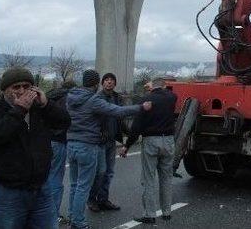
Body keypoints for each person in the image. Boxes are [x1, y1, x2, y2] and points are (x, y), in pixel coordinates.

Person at [66, 69, 151, 229]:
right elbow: (118, 111)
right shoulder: (93, 100)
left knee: (74, 185)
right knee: (83, 186)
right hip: (87, 145)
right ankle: (78, 222)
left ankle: (72, 216)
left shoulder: (71, 97)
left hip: (71, 143)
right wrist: (141, 107)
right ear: (97, 83)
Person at [0, 67, 71, 229]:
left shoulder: (38, 108)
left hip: (41, 187)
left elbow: (64, 122)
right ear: (5, 90)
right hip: (8, 191)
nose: (22, 91)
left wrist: (46, 104)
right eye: (16, 87)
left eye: (27, 86)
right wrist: (19, 110)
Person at [121, 78, 177, 224]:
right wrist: (156, 86)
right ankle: (166, 212)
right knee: (166, 177)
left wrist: (127, 145)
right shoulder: (172, 98)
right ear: (164, 86)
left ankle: (149, 214)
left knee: (149, 178)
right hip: (169, 140)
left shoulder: (146, 99)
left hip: (151, 140)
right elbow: (168, 92)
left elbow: (137, 125)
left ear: (152, 87)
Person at [88, 73, 126, 212]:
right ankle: (92, 199)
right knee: (100, 172)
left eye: (112, 80)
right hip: (99, 141)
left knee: (109, 172)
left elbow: (121, 118)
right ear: (102, 83)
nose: (109, 82)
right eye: (106, 80)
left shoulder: (117, 98)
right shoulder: (97, 98)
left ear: (115, 83)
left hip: (111, 140)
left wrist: (128, 137)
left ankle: (103, 199)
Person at [46, 79, 77, 224]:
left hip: (45, 140)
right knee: (56, 178)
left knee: (45, 176)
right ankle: (53, 214)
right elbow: (69, 120)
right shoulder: (68, 99)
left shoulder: (49, 96)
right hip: (59, 140)